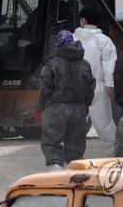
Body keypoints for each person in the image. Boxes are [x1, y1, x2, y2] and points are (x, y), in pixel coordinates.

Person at [36, 30, 96, 171]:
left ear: (58, 44)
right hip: (79, 110)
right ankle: (76, 174)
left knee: (52, 141)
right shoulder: (85, 64)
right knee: (76, 144)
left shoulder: (52, 64)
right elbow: (91, 86)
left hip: (56, 109)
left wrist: (40, 107)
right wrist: (86, 104)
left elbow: (45, 89)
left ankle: (56, 170)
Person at [73, 7, 117, 153]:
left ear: (83, 19)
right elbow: (109, 64)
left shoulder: (73, 38)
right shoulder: (104, 40)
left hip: (75, 87)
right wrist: (109, 85)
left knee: (74, 124)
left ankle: (73, 155)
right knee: (103, 123)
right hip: (98, 86)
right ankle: (115, 152)